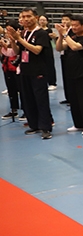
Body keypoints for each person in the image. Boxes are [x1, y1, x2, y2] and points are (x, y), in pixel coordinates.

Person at [6, 8, 54, 139]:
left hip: (38, 71)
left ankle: (45, 127)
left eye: (28, 16)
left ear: (36, 18)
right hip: (25, 70)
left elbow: (37, 50)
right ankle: (34, 124)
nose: (26, 19)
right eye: (23, 17)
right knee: (28, 99)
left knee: (41, 99)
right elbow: (17, 52)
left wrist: (20, 39)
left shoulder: (41, 33)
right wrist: (12, 40)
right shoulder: (23, 33)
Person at [55, 14, 83, 135]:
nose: (73, 27)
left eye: (76, 25)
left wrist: (65, 34)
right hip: (71, 73)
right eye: (72, 25)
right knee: (74, 100)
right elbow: (59, 48)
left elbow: (74, 47)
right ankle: (79, 124)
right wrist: (60, 35)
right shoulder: (72, 36)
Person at [1, 18, 21, 119]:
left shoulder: (20, 37)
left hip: (17, 66)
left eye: (10, 29)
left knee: (22, 90)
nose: (8, 31)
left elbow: (17, 52)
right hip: (7, 66)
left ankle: (26, 110)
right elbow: (6, 53)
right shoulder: (6, 38)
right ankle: (14, 109)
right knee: (11, 89)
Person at [38, 15, 58, 91]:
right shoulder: (36, 30)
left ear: (47, 21)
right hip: (39, 49)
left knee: (49, 65)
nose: (42, 21)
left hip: (47, 49)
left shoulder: (49, 30)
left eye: (44, 20)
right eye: (40, 20)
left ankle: (52, 83)